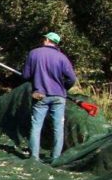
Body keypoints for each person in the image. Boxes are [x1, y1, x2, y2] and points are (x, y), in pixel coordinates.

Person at [22, 32, 77, 163]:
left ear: (46, 40)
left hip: (40, 95)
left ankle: (34, 157)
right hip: (59, 96)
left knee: (36, 126)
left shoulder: (33, 53)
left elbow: (25, 76)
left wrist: (33, 78)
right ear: (55, 43)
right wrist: (64, 88)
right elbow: (72, 78)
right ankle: (56, 158)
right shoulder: (62, 57)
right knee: (58, 127)